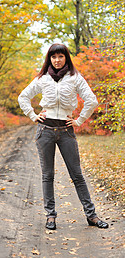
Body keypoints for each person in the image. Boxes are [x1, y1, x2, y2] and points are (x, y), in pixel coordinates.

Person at [18, 43, 109, 230]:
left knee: (77, 175)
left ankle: (91, 215)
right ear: (49, 59)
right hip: (45, 130)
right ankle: (50, 216)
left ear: (66, 57)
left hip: (66, 131)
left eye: (60, 56)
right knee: (47, 175)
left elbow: (92, 100)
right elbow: (23, 97)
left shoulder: (75, 78)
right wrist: (33, 115)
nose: (57, 60)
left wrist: (79, 120)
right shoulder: (43, 78)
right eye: (53, 57)